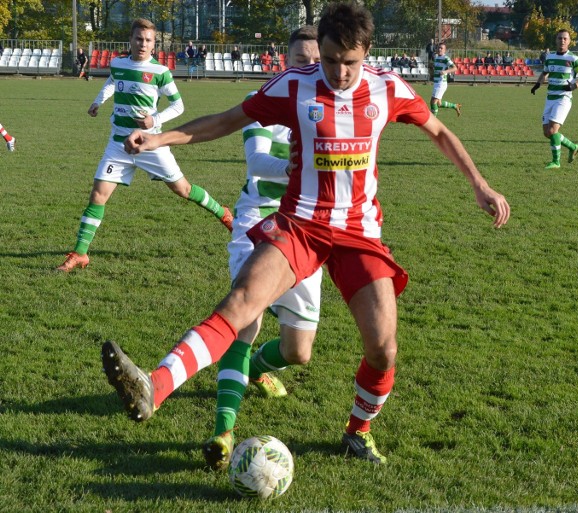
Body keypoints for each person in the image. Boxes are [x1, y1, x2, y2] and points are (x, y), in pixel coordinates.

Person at [102, 2, 510, 465]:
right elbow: (227, 120)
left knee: (383, 348)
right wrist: (160, 138)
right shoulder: (295, 85)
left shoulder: (387, 87)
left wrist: (479, 184)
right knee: (241, 303)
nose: (337, 71)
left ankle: (358, 431)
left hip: (359, 233)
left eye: (348, 62)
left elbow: (438, 130)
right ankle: (154, 387)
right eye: (330, 59)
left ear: (367, 53)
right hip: (300, 225)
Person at [202, 26, 322, 470]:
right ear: (284, 61)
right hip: (258, 219)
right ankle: (223, 431)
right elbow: (257, 163)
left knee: (298, 352)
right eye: (299, 59)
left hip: (307, 227)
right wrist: (308, 170)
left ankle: (251, 369)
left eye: (315, 59)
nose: (307, 66)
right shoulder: (266, 102)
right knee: (245, 320)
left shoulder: (329, 108)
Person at [56, 19, 233, 272]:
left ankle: (223, 213)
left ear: (154, 44)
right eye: (139, 39)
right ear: (131, 39)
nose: (143, 44)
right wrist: (98, 102)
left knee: (183, 189)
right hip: (118, 144)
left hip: (151, 143)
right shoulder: (118, 63)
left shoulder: (161, 72)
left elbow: (178, 105)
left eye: (148, 40)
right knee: (98, 195)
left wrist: (154, 119)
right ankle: (80, 253)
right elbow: (111, 82)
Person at [530, 29, 578, 170]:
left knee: (552, 130)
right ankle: (573, 147)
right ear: (556, 40)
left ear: (569, 41)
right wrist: (537, 84)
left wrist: (575, 86)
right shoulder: (550, 57)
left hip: (563, 98)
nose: (562, 41)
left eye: (565, 38)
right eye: (559, 38)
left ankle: (556, 162)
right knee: (547, 132)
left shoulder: (573, 59)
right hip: (550, 97)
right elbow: (544, 73)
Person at [431, 42, 461, 117]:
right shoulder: (437, 57)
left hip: (441, 83)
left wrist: (445, 71)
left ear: (445, 50)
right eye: (439, 48)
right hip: (436, 83)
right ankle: (455, 106)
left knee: (433, 101)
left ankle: (433, 121)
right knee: (439, 103)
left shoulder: (445, 58)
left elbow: (455, 68)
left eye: (442, 48)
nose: (440, 49)